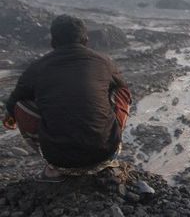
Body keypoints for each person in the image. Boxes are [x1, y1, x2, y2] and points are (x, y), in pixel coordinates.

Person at [2, 15, 132, 182]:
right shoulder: (104, 61)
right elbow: (123, 89)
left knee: (20, 105)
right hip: (105, 154)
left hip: (59, 160)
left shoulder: (37, 67)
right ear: (85, 38)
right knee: (121, 91)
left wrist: (11, 117)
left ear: (53, 41)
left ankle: (53, 169)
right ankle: (108, 149)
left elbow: (14, 102)